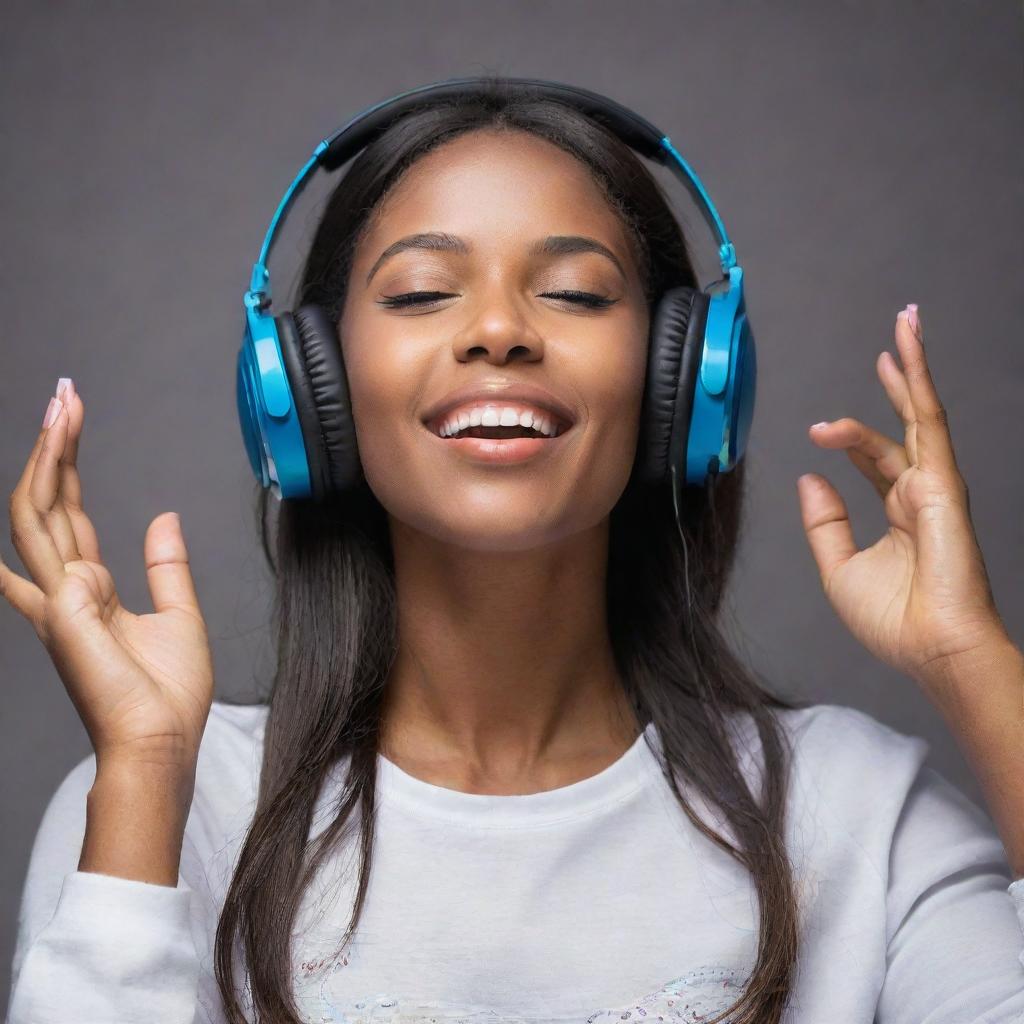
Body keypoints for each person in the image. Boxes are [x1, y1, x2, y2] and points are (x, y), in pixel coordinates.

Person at [4, 78, 1024, 1024]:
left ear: (687, 383)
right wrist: (140, 771)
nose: (498, 329)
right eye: (419, 294)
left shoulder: (855, 811)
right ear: (302, 391)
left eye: (577, 294)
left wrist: (974, 664)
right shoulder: (165, 799)